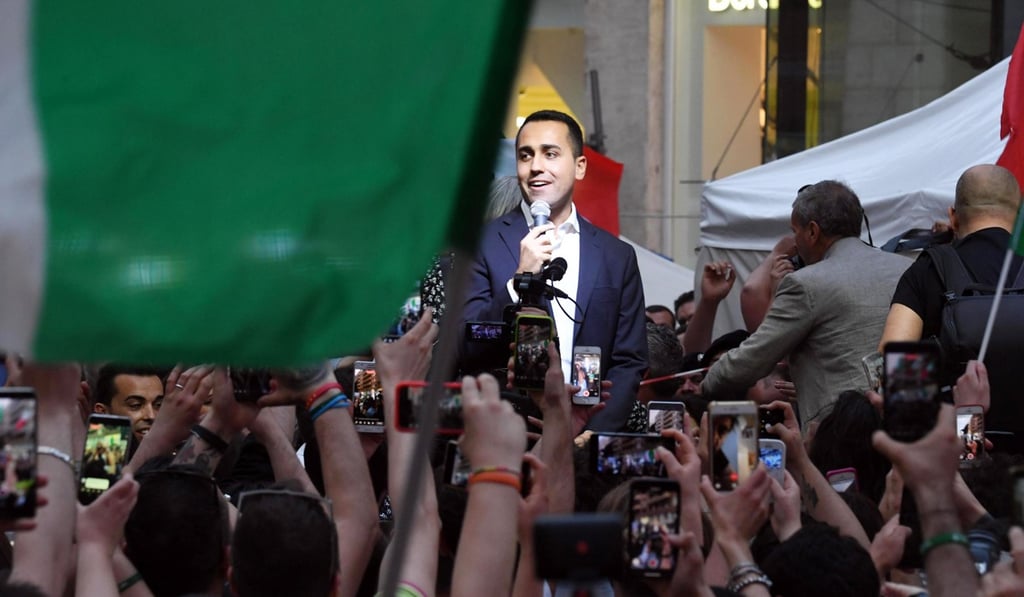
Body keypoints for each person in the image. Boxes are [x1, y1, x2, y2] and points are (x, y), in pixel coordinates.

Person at [460, 109, 647, 431]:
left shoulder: (617, 257)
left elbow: (629, 361)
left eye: (550, 154)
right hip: (502, 434)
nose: (536, 167)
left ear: (579, 166)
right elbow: (467, 343)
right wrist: (518, 283)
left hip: (587, 435)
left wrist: (588, 431)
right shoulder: (479, 245)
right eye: (525, 155)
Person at [701, 181, 909, 425]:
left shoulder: (805, 284)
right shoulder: (907, 268)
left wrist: (706, 383)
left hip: (841, 433)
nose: (794, 241)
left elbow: (754, 357)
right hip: (908, 427)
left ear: (812, 231)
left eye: (795, 231)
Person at [879, 164, 1024, 452]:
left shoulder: (929, 269)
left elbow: (892, 357)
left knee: (973, 486)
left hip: (962, 448)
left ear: (953, 216)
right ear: (1018, 214)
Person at [92, 364, 164, 444]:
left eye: (158, 405)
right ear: (103, 412)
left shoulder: (175, 452)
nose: (152, 416)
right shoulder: (92, 454)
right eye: (136, 405)